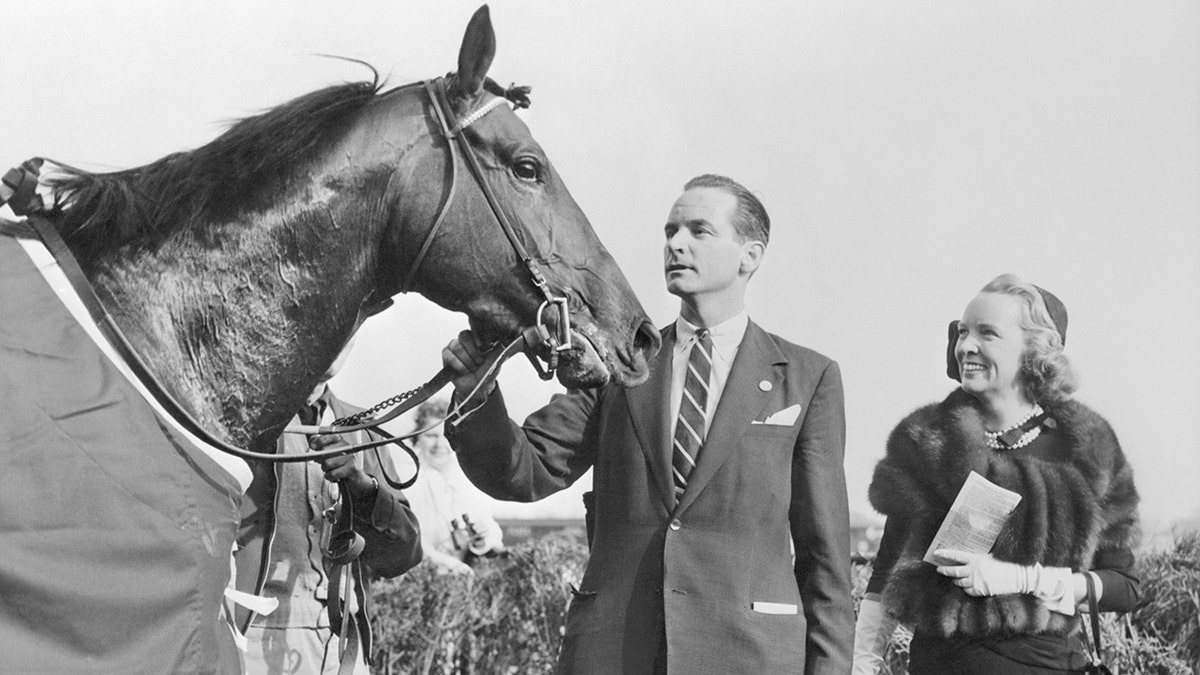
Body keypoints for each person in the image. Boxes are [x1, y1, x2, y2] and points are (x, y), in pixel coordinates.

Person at [441, 174, 855, 674]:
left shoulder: (808, 379)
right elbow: (524, 470)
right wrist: (477, 393)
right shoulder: (620, 365)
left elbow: (825, 560)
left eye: (699, 232)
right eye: (670, 232)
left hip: (751, 655)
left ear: (750, 256)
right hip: (615, 654)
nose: (676, 244)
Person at [852, 274, 1141, 674]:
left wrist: (1021, 579)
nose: (965, 345)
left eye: (987, 334)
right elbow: (885, 574)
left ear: (1034, 351)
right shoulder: (928, 441)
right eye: (962, 331)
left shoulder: (1086, 448)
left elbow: (1123, 587)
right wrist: (861, 666)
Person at [234, 341, 423, 674]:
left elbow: (402, 555)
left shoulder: (362, 430)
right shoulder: (243, 416)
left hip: (341, 650)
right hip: (249, 640)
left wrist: (363, 488)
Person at [405, 398, 504, 574]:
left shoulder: (469, 478)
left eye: (445, 435)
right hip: (418, 575)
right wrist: (447, 563)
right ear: (417, 437)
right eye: (430, 435)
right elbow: (408, 540)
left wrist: (482, 540)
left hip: (462, 575)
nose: (439, 445)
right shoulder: (406, 480)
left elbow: (490, 528)